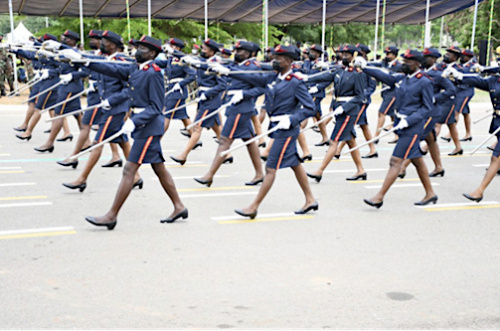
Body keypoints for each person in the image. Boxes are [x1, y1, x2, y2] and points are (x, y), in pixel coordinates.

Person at [61, 35, 187, 229]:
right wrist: (85, 61)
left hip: (149, 128)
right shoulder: (135, 67)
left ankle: (111, 215)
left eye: (143, 48)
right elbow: (111, 68)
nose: (137, 50)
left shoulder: (153, 73)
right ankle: (179, 206)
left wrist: (134, 122)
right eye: (138, 47)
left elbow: (156, 107)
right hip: (143, 127)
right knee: (159, 168)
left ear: (152, 53)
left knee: (129, 170)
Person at [212, 44, 317, 218]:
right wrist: (227, 72)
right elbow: (252, 79)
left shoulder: (295, 82)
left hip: (286, 130)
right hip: (276, 128)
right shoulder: (274, 78)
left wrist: (291, 119)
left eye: (279, 58)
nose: (274, 60)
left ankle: (253, 207)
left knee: (270, 169)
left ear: (289, 61)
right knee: (295, 164)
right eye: (274, 57)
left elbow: (310, 108)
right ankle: (310, 199)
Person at [61, 30, 141, 192]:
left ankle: (82, 179)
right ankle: (137, 177)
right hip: (109, 107)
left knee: (98, 142)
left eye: (104, 41)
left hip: (115, 108)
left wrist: (112, 100)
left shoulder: (122, 61)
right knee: (122, 141)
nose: (100, 43)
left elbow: (130, 89)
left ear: (113, 45)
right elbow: (92, 64)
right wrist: (64, 50)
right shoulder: (109, 59)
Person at [360, 49, 438, 208]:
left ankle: (379, 197)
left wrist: (409, 120)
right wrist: (364, 67)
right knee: (417, 160)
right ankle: (430, 193)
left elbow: (428, 108)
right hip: (401, 125)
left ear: (417, 63)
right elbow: (385, 76)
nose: (404, 64)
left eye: (408, 62)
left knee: (395, 161)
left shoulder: (424, 81)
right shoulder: (403, 78)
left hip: (412, 127)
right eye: (404, 61)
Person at [194, 41, 264, 187]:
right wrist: (199, 64)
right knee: (249, 140)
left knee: (225, 141)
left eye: (241, 51)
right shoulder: (238, 64)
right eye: (236, 50)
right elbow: (224, 69)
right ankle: (259, 174)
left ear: (251, 54)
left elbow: (261, 88)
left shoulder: (253, 66)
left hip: (241, 107)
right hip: (236, 106)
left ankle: (209, 175)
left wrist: (244, 94)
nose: (237, 53)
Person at [305, 44, 367, 183]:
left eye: (347, 54)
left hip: (348, 111)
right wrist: (306, 78)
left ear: (354, 56)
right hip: (340, 108)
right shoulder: (340, 70)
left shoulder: (357, 74)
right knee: (350, 140)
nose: (343, 56)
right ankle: (361, 170)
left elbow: (359, 97)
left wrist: (344, 108)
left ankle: (319, 171)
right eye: (342, 54)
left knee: (334, 141)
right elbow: (325, 76)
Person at [443, 63, 500, 202]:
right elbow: (477, 81)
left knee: (496, 158)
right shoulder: (494, 80)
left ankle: (479, 191)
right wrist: (459, 76)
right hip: (498, 122)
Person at [398, 47, 456, 178]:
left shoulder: (438, 74)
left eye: (426, 57)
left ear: (434, 59)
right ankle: (439, 167)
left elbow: (451, 90)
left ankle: (402, 167)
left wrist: (435, 98)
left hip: (430, 111)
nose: (423, 60)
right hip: (421, 110)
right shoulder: (419, 72)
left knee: (414, 138)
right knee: (431, 139)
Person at [170, 39, 226, 165]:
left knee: (196, 128)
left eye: (205, 49)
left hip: (210, 100)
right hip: (203, 98)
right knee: (217, 129)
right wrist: (174, 52)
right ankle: (227, 153)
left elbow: (222, 85)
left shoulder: (216, 64)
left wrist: (207, 94)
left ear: (212, 52)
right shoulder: (204, 61)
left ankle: (183, 155)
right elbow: (192, 61)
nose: (202, 51)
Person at [34, 30, 84, 153]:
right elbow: (56, 66)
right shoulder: (63, 51)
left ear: (72, 41)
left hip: (71, 86)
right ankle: (86, 142)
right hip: (65, 85)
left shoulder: (76, 53)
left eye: (66, 38)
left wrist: (72, 76)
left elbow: (86, 70)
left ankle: (49, 143)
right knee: (77, 114)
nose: (63, 39)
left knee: (59, 114)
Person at [157, 38, 196, 134]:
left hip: (178, 92)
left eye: (172, 46)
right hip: (172, 90)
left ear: (177, 48)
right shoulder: (171, 59)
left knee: (166, 114)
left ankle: (156, 139)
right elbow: (161, 64)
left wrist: (180, 84)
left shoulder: (183, 60)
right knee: (183, 116)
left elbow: (193, 75)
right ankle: (194, 136)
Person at [436, 46, 464, 155]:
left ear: (455, 57)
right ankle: (458, 147)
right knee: (451, 124)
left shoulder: (458, 68)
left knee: (437, 123)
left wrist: (454, 75)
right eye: (447, 52)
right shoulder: (440, 66)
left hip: (449, 98)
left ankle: (426, 147)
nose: (447, 55)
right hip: (439, 96)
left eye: (450, 53)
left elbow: (461, 81)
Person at [372, 46, 402, 143]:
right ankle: (397, 135)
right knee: (393, 114)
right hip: (385, 91)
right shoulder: (384, 64)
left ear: (394, 55)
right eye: (386, 54)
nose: (387, 56)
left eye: (389, 54)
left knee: (382, 112)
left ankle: (376, 136)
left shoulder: (398, 66)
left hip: (393, 92)